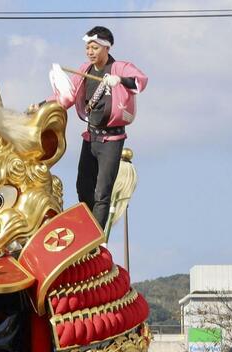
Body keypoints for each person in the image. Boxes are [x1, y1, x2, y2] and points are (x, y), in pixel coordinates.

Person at [47, 26, 147, 230]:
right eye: (87, 48)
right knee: (83, 188)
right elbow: (67, 96)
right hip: (90, 137)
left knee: (102, 193)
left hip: (112, 141)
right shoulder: (85, 70)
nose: (90, 52)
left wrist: (120, 80)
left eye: (94, 47)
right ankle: (89, 228)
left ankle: (97, 238)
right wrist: (42, 105)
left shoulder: (120, 67)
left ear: (106, 48)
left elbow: (140, 81)